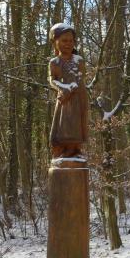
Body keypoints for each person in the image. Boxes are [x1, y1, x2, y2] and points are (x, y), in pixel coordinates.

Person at [48, 23, 89, 159]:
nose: (68, 44)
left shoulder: (79, 61)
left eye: (71, 41)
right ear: (55, 42)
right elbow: (52, 80)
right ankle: (62, 149)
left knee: (76, 124)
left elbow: (81, 78)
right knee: (63, 124)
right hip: (64, 99)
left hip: (78, 97)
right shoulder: (54, 62)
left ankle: (75, 149)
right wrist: (62, 87)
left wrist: (74, 87)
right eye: (64, 40)